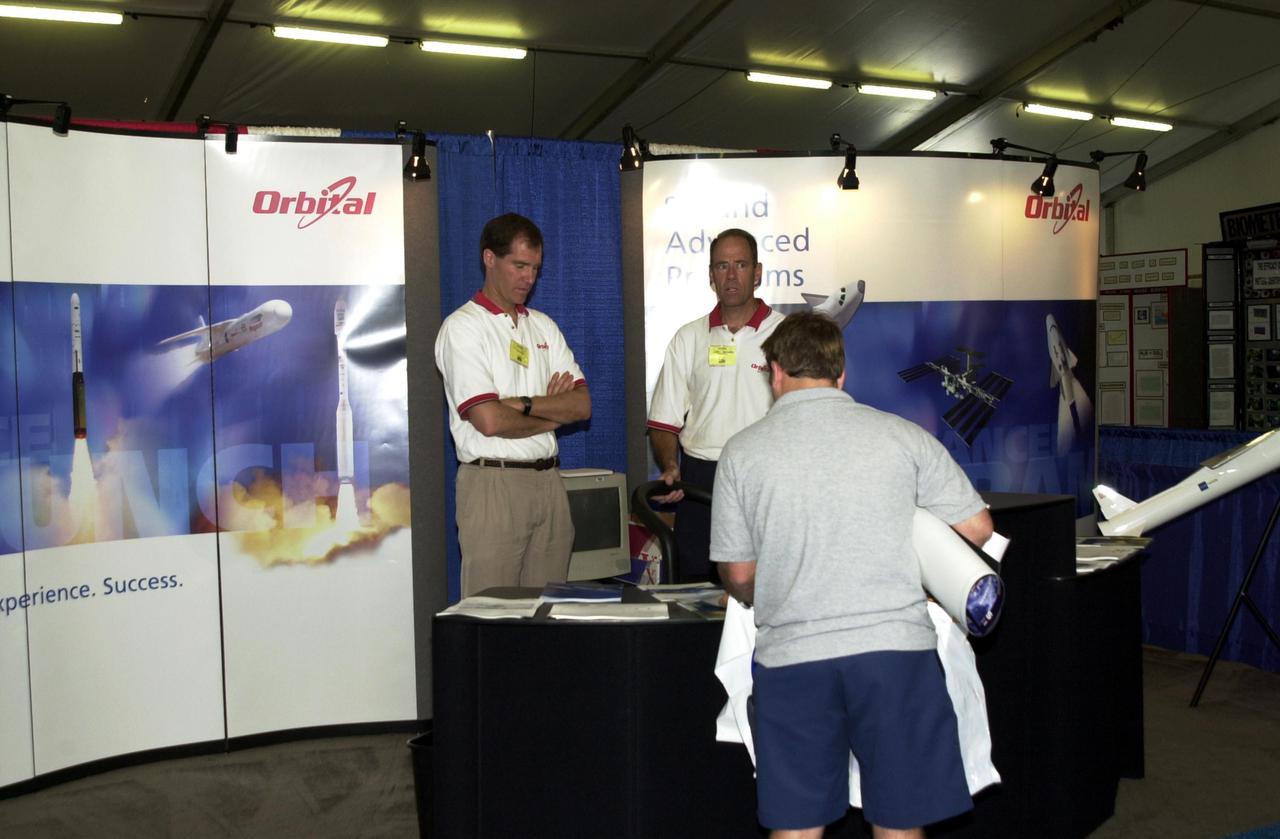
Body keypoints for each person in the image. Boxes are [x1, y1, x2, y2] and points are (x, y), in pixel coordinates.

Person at [710, 312, 994, 839]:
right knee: (899, 825)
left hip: (793, 658)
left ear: (775, 373)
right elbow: (977, 528)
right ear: (841, 374)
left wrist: (756, 588)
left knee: (796, 829)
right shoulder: (903, 437)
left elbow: (740, 573)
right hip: (896, 655)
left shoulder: (741, 454)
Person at [435, 213, 591, 596]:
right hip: (494, 482)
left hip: (550, 484)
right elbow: (487, 419)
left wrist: (522, 404)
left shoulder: (543, 326)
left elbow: (582, 406)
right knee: (494, 616)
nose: (528, 278)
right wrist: (551, 415)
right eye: (519, 265)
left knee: (547, 614)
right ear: (489, 258)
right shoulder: (464, 327)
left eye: (535, 268)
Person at [646, 228, 784, 581]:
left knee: (765, 588)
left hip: (765, 480)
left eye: (740, 264)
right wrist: (669, 466)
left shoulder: (786, 335)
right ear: (711, 276)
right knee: (695, 590)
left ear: (757, 272)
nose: (731, 275)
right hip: (700, 482)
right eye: (722, 266)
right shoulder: (688, 338)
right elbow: (663, 422)